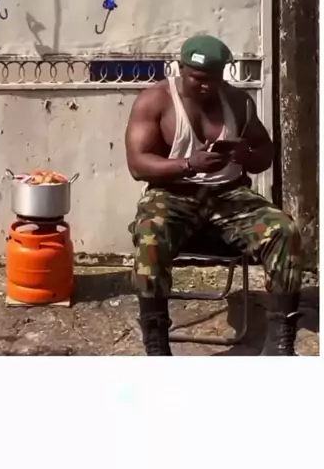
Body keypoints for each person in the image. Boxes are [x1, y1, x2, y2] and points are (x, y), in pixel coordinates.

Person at [125, 34, 303, 356]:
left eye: (213, 78)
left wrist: (245, 155)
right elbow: (138, 164)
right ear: (181, 68)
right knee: (150, 234)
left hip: (229, 194)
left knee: (284, 230)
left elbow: (264, 153)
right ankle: (156, 344)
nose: (206, 86)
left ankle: (281, 342)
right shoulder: (155, 101)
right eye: (197, 78)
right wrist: (187, 164)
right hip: (173, 193)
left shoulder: (237, 101)